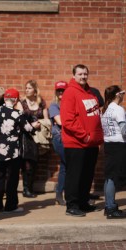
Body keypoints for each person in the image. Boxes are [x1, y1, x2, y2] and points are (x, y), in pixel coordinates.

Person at [60, 64, 104, 217]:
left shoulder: (91, 93)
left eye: (85, 74)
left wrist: (96, 137)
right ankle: (71, 205)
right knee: (75, 175)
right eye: (80, 74)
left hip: (91, 144)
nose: (83, 76)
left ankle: (83, 203)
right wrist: (84, 135)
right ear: (74, 76)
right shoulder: (70, 93)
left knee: (87, 175)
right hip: (76, 143)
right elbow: (68, 120)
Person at [0, 88, 36, 214]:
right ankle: (11, 205)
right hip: (12, 151)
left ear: (5, 99)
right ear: (16, 100)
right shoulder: (17, 113)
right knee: (12, 178)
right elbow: (29, 129)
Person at [100, 85, 126, 219]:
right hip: (118, 146)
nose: (123, 95)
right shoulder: (118, 109)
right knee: (113, 178)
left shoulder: (105, 110)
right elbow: (124, 131)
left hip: (109, 145)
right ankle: (110, 208)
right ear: (118, 95)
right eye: (122, 93)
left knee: (109, 176)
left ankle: (108, 206)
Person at [18, 80, 46, 198]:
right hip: (25, 136)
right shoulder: (21, 103)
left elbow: (47, 119)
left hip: (37, 136)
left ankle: (30, 187)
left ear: (35, 90)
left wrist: (39, 122)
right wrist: (31, 125)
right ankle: (26, 189)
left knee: (34, 162)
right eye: (26, 88)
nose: (27, 90)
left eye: (29, 88)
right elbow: (19, 119)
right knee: (26, 162)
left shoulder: (41, 103)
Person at [49, 81, 68, 206]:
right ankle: (60, 193)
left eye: (63, 90)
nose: (61, 92)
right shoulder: (54, 106)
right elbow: (60, 121)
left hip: (68, 137)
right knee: (68, 164)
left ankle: (61, 194)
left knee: (65, 166)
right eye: (59, 90)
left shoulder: (69, 104)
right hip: (59, 138)